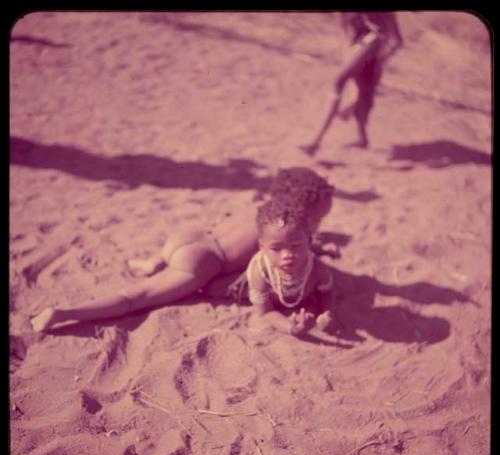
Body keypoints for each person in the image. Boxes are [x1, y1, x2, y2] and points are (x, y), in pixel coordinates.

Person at [30, 168, 335, 333]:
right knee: (133, 299)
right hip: (204, 262)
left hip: (188, 238)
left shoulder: (263, 213)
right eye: (318, 218)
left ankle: (152, 262)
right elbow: (262, 263)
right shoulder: (283, 232)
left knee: (157, 273)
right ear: (301, 210)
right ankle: (62, 313)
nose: (318, 223)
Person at [301, 11, 403, 154]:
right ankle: (361, 138)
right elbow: (344, 29)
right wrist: (350, 54)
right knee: (361, 94)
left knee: (339, 83)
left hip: (372, 43)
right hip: (357, 43)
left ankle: (315, 141)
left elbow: (397, 41)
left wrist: (380, 59)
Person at [246, 197, 335, 336]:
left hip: (302, 298)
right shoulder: (261, 272)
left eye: (296, 246)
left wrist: (326, 313)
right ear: (262, 247)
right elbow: (265, 311)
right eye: (276, 248)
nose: (287, 254)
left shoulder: (316, 268)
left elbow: (326, 292)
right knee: (218, 289)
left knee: (310, 307)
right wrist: (290, 328)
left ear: (309, 242)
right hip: (266, 295)